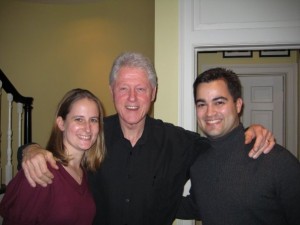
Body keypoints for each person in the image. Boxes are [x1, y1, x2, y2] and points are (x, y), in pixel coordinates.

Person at [20, 53, 275, 225]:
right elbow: (59, 152)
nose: (132, 98)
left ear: (153, 93)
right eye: (123, 89)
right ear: (111, 91)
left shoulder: (178, 141)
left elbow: (220, 147)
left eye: (141, 89)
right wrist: (29, 150)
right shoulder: (93, 135)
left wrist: (249, 130)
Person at [177, 67, 300, 225]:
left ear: (238, 105)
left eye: (219, 102)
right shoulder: (198, 162)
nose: (209, 113)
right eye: (202, 104)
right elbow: (198, 205)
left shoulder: (278, 161)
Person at [0, 88, 106, 225]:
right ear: (61, 123)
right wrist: (30, 149)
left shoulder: (84, 173)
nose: (87, 128)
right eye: (79, 119)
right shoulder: (40, 171)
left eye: (93, 120)